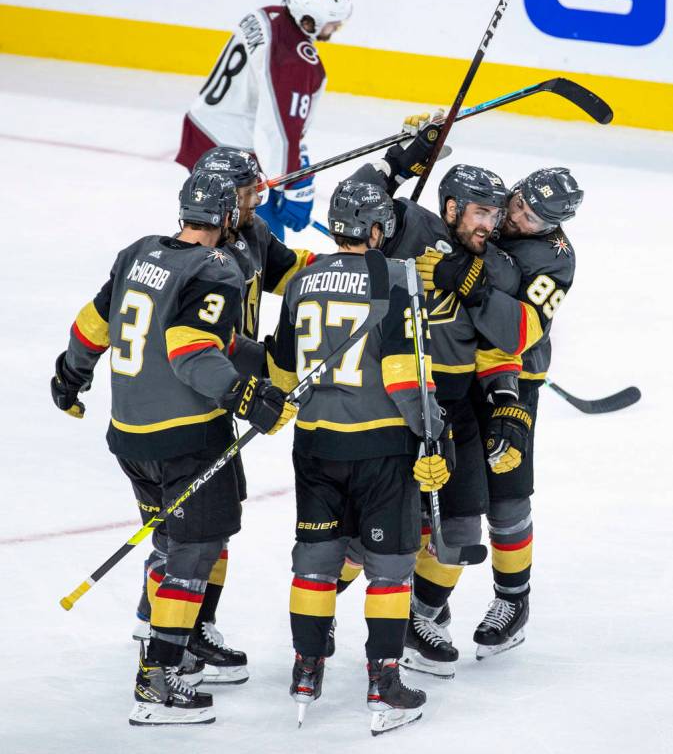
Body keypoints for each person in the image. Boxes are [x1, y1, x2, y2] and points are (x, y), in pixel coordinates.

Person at [50, 170, 296, 725]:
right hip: (185, 435)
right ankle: (157, 680)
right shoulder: (217, 268)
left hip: (130, 435)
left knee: (173, 538)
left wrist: (70, 375)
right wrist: (244, 395)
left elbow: (94, 324)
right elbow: (191, 352)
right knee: (195, 548)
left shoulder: (140, 252)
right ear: (227, 218)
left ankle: (178, 646)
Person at [332, 115, 544, 678]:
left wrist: (505, 404)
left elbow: (517, 338)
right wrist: (408, 154)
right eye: (480, 212)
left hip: (451, 405)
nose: (491, 224)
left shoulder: (495, 266)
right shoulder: (410, 227)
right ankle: (320, 607)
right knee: (360, 532)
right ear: (450, 208)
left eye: (497, 214)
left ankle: (418, 618)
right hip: (390, 400)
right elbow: (356, 197)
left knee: (459, 528)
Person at [267, 180, 452, 735]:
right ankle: (384, 683)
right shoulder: (395, 279)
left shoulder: (301, 279)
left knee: (317, 561)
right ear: (375, 231)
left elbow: (280, 368)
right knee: (390, 572)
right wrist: (434, 434)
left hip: (316, 443)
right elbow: (404, 375)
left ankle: (305, 672)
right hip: (381, 448)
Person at [131, 147, 316, 682]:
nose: (259, 196)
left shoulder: (251, 234)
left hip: (220, 391)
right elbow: (210, 343)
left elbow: (295, 271)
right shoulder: (197, 258)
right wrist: (260, 376)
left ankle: (186, 624)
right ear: (224, 199)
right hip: (196, 394)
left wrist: (360, 264)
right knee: (185, 531)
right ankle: (168, 632)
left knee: (204, 527)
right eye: (250, 191)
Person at [462, 168, 582, 658]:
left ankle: (513, 602)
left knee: (507, 492)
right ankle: (428, 601)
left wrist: (474, 284)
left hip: (514, 379)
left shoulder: (557, 262)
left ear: (550, 227)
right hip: (454, 370)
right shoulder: (493, 207)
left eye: (529, 219)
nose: (514, 218)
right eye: (516, 204)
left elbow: (518, 333)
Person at [176, 0, 352, 241]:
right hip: (232, 151)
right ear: (309, 20)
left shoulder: (267, 15)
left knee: (214, 223)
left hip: (205, 126)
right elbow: (280, 129)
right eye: (333, 22)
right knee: (259, 241)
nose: (336, 28)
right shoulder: (296, 62)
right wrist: (294, 186)